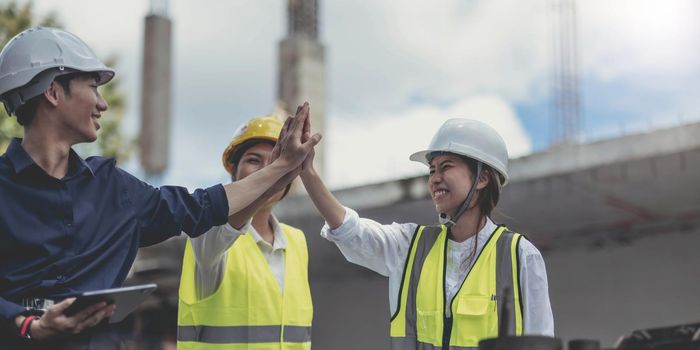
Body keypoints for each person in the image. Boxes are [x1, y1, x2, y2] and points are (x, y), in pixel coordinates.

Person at [0, 27, 319, 349]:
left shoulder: (115, 190)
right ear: (54, 92)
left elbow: (202, 207)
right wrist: (28, 324)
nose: (102, 104)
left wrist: (281, 168)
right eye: (93, 87)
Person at [300, 118, 554, 349]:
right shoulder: (410, 247)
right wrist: (307, 172)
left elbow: (541, 341)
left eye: (446, 167)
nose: (434, 179)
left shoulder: (520, 257)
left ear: (482, 179)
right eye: (432, 170)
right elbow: (349, 231)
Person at [177, 115, 313, 349]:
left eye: (276, 163)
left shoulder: (297, 241)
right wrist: (275, 173)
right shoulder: (209, 233)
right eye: (253, 161)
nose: (265, 171)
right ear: (234, 173)